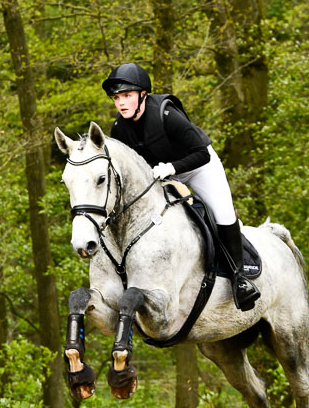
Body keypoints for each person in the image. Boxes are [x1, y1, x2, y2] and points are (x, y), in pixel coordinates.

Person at [102, 62, 260, 312]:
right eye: (117, 97)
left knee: (222, 213)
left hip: (198, 167)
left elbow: (202, 154)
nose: (121, 103)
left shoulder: (166, 114)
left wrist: (173, 168)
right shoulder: (120, 129)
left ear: (143, 95)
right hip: (161, 176)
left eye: (127, 96)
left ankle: (240, 279)